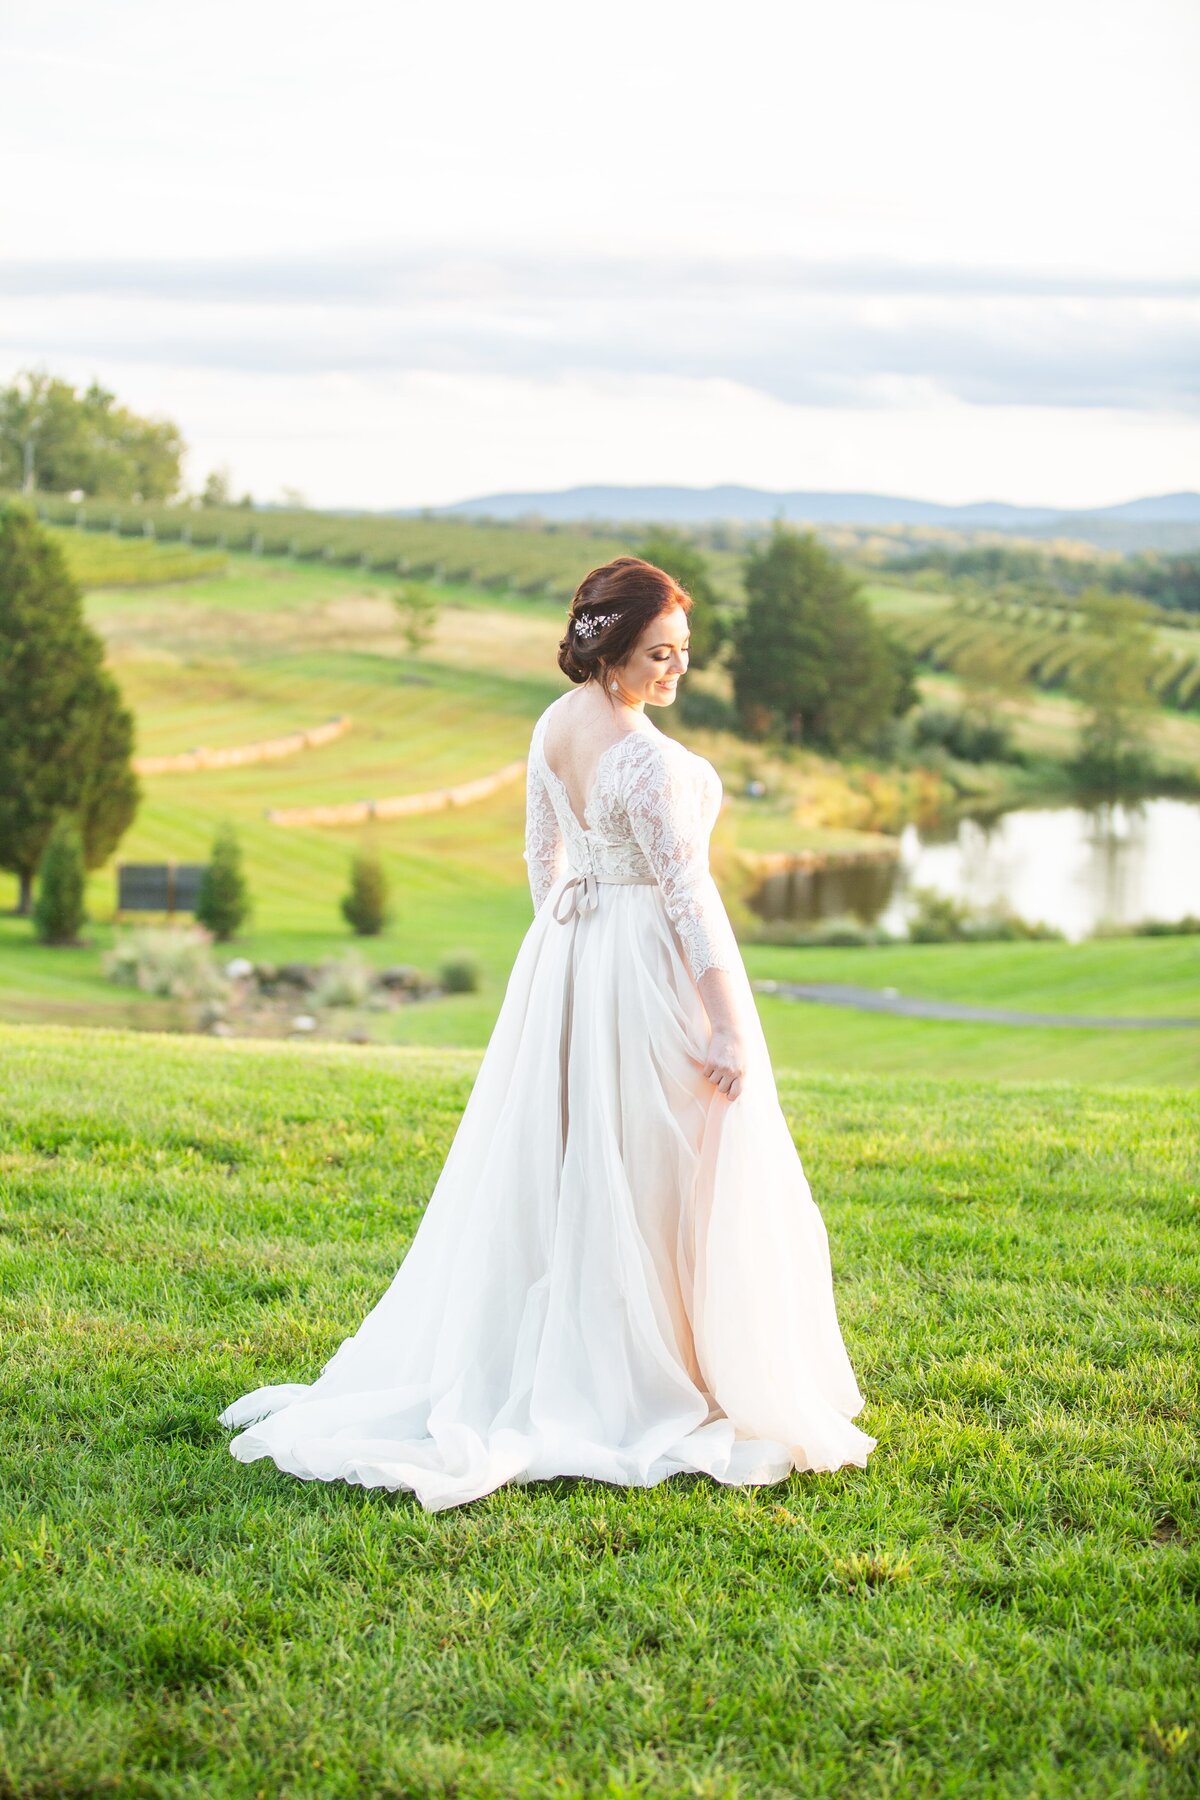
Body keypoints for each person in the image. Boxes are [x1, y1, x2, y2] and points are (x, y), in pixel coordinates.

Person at [219, 556, 877, 1510]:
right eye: (659, 653)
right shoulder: (646, 758)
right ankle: (659, 1372)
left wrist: (569, 949)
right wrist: (729, 1024)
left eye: (684, 654)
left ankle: (627, 1348)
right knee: (666, 1159)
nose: (675, 671)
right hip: (649, 968)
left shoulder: (554, 726)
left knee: (588, 1157)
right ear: (607, 649)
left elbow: (543, 858)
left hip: (572, 957)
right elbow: (690, 899)